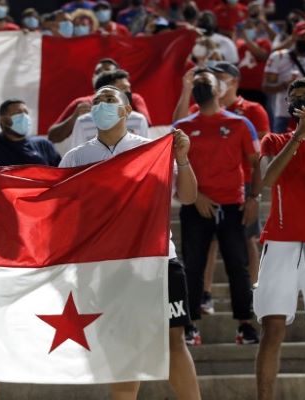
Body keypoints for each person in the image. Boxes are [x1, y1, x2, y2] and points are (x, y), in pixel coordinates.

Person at [60, 85, 201, 400]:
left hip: (158, 259)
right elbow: (61, 213)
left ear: (126, 111)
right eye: (96, 100)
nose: (101, 105)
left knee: (173, 339)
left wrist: (183, 159)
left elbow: (188, 198)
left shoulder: (152, 150)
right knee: (123, 345)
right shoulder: (75, 157)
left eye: (109, 100)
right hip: (108, 266)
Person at [254, 77, 305, 400]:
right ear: (288, 106)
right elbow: (267, 180)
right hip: (281, 242)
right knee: (272, 329)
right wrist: (298, 137)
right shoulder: (272, 140)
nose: (301, 103)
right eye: (295, 98)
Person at [173, 69, 261, 346]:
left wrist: (254, 198)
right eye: (197, 82)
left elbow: (256, 162)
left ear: (218, 89)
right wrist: (195, 195)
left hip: (232, 204)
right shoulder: (185, 126)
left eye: (205, 81)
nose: (201, 85)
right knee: (193, 266)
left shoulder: (239, 123)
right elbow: (175, 164)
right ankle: (190, 327)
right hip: (196, 205)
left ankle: (245, 324)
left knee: (238, 265)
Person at [48, 59, 151, 145]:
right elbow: (53, 137)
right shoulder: (81, 105)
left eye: (106, 71)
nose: (101, 74)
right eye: (97, 72)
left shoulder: (134, 102)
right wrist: (74, 118)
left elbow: (142, 126)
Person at [262, 21, 305, 133]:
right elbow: (266, 87)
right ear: (294, 36)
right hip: (284, 114)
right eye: (302, 36)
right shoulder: (278, 57)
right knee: (280, 148)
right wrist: (285, 85)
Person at [236, 12, 272, 106]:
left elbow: (262, 56)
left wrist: (247, 40)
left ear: (256, 29)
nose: (248, 30)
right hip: (241, 89)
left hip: (257, 90)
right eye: (246, 27)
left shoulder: (264, 42)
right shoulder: (239, 45)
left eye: (250, 27)